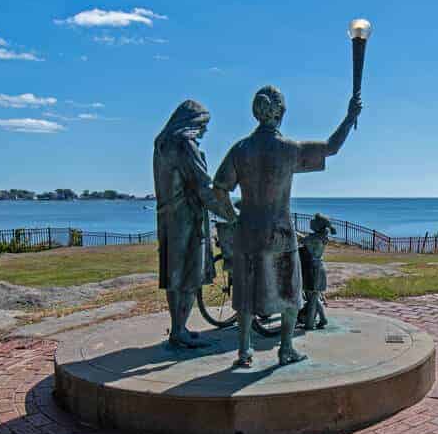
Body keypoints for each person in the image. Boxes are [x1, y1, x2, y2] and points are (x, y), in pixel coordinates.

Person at [213, 86, 362, 366]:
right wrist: (349, 117)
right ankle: (286, 349)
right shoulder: (288, 149)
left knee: (245, 293)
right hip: (279, 232)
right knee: (291, 292)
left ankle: (244, 352)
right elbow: (331, 147)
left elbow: (219, 188)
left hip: (248, 231)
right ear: (280, 112)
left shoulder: (240, 149)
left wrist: (233, 220)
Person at [153, 99, 235, 349]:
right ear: (191, 123)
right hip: (188, 220)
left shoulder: (162, 145)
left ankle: (178, 327)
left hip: (167, 218)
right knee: (190, 278)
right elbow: (204, 187)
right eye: (203, 124)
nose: (205, 130)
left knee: (173, 275)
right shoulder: (185, 144)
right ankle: (179, 330)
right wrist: (230, 214)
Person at [300, 213, 336, 330]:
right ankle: (323, 319)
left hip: (314, 270)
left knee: (312, 298)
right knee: (313, 297)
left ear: (318, 225)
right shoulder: (319, 237)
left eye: (314, 220)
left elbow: (302, 240)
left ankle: (310, 323)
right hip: (316, 268)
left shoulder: (315, 238)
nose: (311, 221)